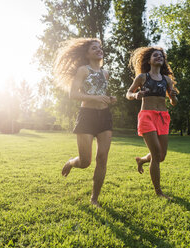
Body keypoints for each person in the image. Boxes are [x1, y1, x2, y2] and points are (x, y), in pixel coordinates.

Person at [53, 38, 117, 208]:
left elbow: (100, 92)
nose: (98, 50)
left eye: (100, 47)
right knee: (85, 161)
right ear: (87, 54)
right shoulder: (83, 70)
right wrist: (96, 98)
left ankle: (94, 198)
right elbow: (73, 94)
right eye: (94, 48)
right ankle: (72, 162)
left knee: (102, 158)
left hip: (104, 116)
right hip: (87, 116)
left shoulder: (106, 73)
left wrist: (109, 99)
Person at [126, 46, 178, 199]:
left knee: (161, 156)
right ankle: (159, 192)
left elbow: (174, 102)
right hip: (147, 116)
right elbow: (128, 93)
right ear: (149, 60)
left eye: (161, 56)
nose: (159, 57)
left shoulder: (167, 80)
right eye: (155, 55)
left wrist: (173, 96)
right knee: (156, 155)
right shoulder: (142, 77)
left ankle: (142, 160)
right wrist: (136, 96)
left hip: (162, 117)